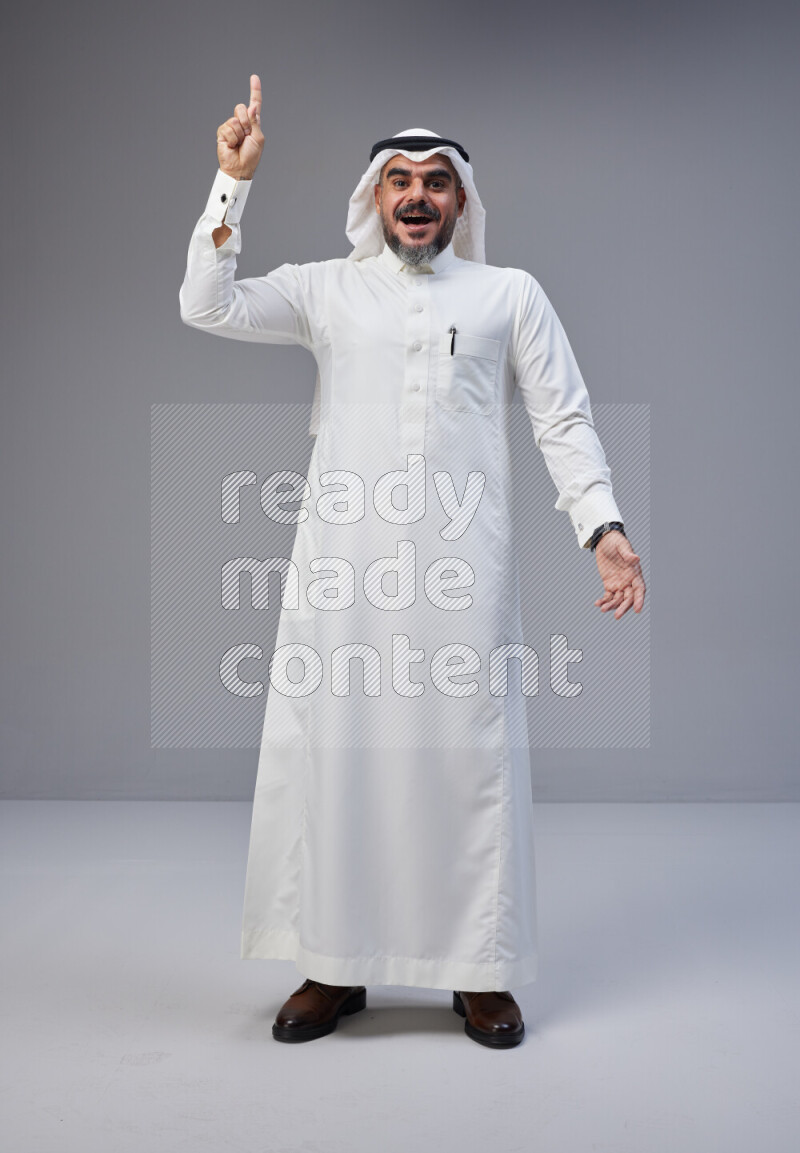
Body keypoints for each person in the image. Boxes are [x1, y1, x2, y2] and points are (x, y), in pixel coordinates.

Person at [180, 75, 646, 1049]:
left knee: (464, 761)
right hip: (342, 573)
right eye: (400, 179)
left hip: (461, 572)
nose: (417, 195)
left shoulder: (508, 295)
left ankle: (478, 970)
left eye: (436, 181)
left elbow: (561, 416)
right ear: (374, 197)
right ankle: (332, 962)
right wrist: (232, 182)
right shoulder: (326, 289)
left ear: (461, 199)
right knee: (339, 759)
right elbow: (205, 303)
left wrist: (600, 527)